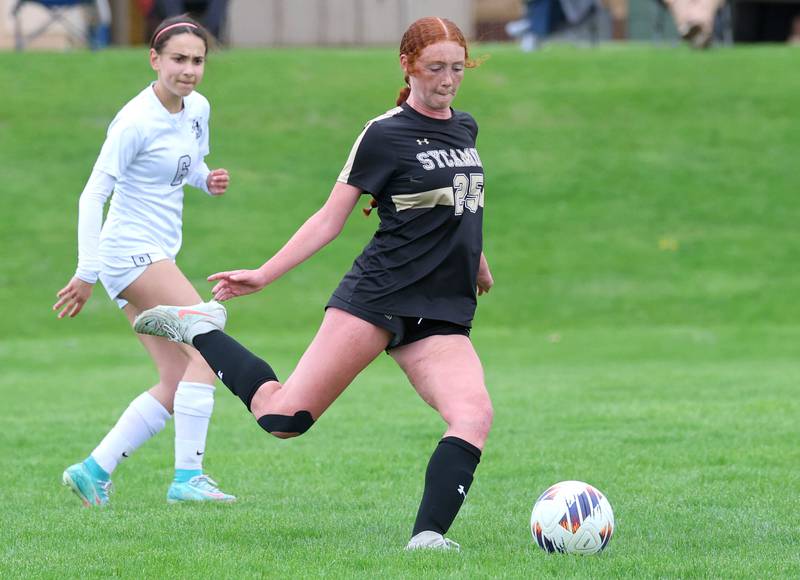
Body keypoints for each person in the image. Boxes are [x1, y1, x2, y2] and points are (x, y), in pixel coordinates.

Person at [134, 16, 495, 550]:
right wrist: (263, 275)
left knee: (473, 413)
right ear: (408, 66)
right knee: (285, 419)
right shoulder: (384, 133)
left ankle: (427, 539)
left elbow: (460, 206)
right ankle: (202, 332)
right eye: (435, 68)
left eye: (457, 69)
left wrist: (478, 263)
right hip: (380, 296)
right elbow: (330, 220)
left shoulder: (464, 127)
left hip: (441, 307)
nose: (447, 80)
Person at [54, 15, 235, 507]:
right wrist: (85, 272)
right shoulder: (134, 121)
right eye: (178, 59)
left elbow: (187, 163)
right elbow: (93, 195)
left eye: (197, 60)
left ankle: (94, 469)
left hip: (150, 252)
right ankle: (187, 479)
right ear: (154, 60)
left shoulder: (197, 107)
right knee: (208, 349)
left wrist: (206, 180)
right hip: (130, 252)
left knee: (177, 381)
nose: (189, 69)